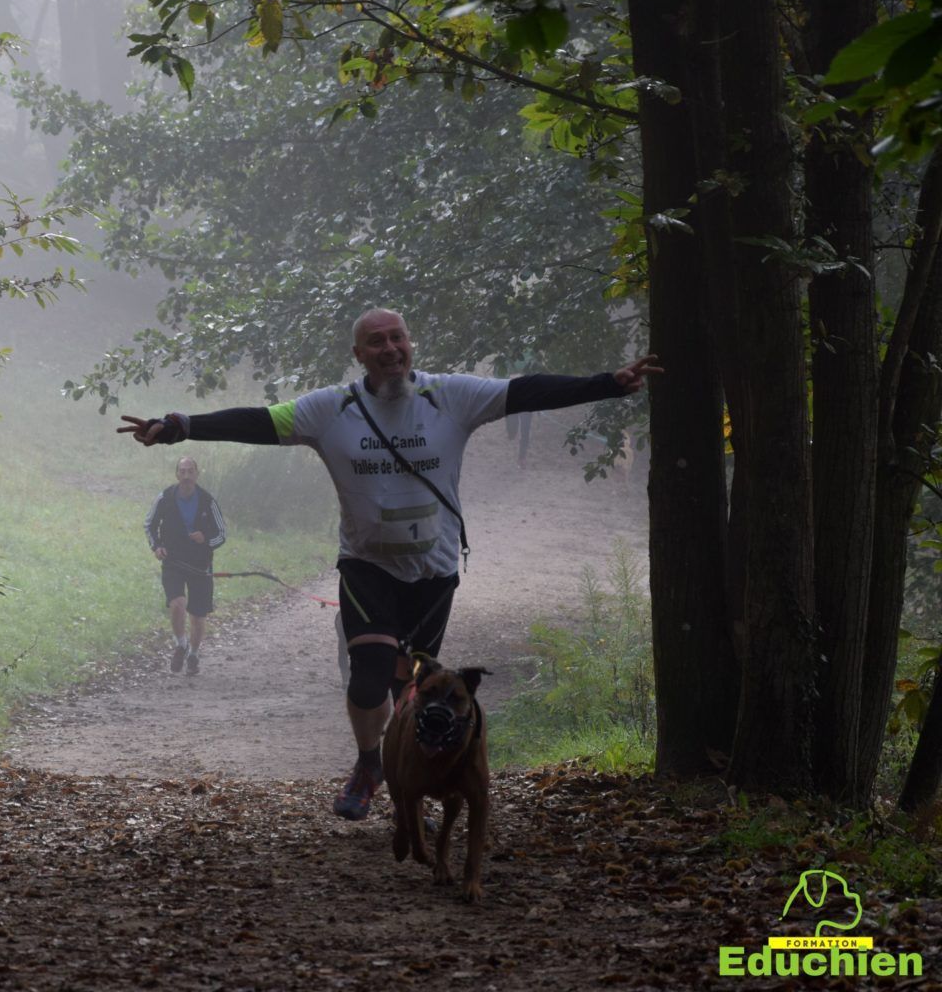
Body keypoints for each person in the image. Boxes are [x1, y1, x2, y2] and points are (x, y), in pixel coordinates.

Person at [119, 308, 662, 819]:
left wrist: (607, 383)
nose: (390, 348)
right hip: (366, 567)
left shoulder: (451, 395)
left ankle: (409, 772)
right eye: (376, 341)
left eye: (397, 337)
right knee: (368, 679)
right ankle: (367, 764)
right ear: (360, 354)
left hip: (435, 570)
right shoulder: (329, 407)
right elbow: (258, 421)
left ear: (410, 345)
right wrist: (181, 425)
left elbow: (526, 391)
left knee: (411, 682)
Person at [145, 456, 227, 676]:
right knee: (177, 604)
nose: (187, 476)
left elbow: (222, 534)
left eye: (190, 471)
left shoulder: (208, 501)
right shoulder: (165, 497)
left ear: (197, 474)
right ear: (177, 474)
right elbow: (149, 525)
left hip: (201, 565)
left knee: (198, 616)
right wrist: (157, 547)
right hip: (173, 562)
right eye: (182, 471)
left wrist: (206, 539)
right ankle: (181, 644)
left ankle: (194, 654)